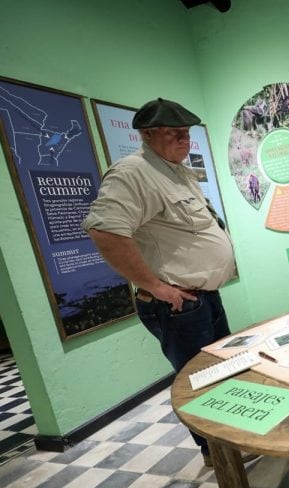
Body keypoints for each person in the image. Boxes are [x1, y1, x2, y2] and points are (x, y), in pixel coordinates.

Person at [82, 98, 237, 467]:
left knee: (219, 375)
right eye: (175, 134)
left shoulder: (176, 170)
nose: (185, 141)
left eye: (187, 134)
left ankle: (228, 443)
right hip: (179, 304)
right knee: (198, 382)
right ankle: (215, 454)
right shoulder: (132, 173)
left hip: (204, 297)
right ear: (148, 134)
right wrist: (156, 286)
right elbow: (104, 230)